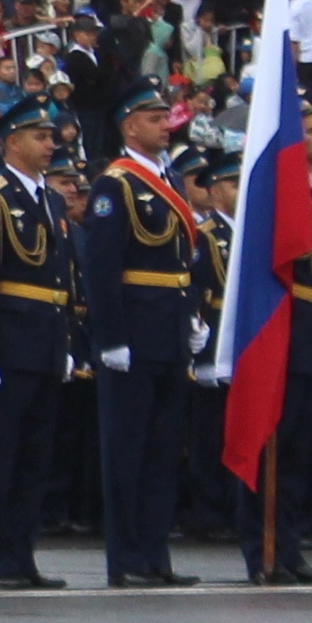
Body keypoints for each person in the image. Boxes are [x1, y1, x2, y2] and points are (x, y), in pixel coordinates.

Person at [79, 87, 203, 587]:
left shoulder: (166, 178)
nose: (164, 125)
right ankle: (126, 558)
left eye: (165, 117)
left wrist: (191, 318)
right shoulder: (116, 185)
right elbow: (103, 267)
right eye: (154, 118)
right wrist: (111, 337)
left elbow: (179, 264)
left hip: (168, 332)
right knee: (127, 452)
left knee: (162, 452)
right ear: (129, 126)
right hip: (132, 333)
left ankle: (155, 554)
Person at [0, 94, 79, 591]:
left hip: (44, 341)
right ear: (12, 143)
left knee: (34, 460)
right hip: (9, 345)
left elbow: (59, 276)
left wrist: (65, 340)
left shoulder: (49, 200)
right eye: (41, 136)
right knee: (1, 456)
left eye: (51, 136)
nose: (51, 144)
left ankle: (23, 554)